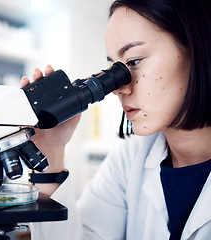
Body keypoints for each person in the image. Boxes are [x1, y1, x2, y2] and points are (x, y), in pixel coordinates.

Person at [23, 0, 211, 239]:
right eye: (113, 69)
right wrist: (50, 156)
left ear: (197, 50)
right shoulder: (129, 161)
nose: (118, 88)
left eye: (133, 62)